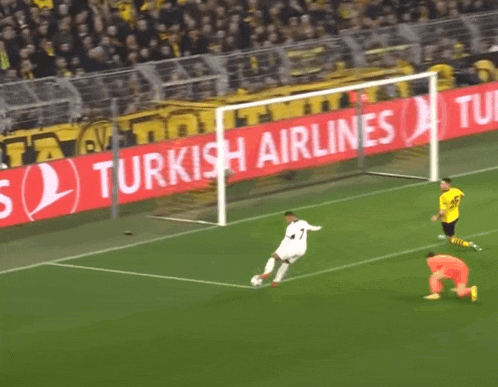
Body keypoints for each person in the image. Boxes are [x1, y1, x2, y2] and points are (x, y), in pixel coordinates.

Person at [258, 211, 321, 287]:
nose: (287, 221)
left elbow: (285, 241)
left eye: (287, 219)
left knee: (273, 258)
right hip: (302, 251)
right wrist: (320, 227)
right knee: (286, 262)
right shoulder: (303, 222)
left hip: (293, 249)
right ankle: (276, 281)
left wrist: (277, 251)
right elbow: (313, 228)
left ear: (292, 216)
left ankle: (266, 273)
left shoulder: (291, 227)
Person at [431, 178, 481, 251]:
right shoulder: (456, 190)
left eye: (442, 184)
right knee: (450, 232)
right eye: (440, 184)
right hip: (455, 215)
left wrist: (436, 216)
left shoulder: (443, 197)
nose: (440, 186)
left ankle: (469, 244)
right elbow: (462, 194)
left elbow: (442, 212)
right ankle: (449, 235)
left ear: (448, 185)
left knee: (451, 240)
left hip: (448, 220)